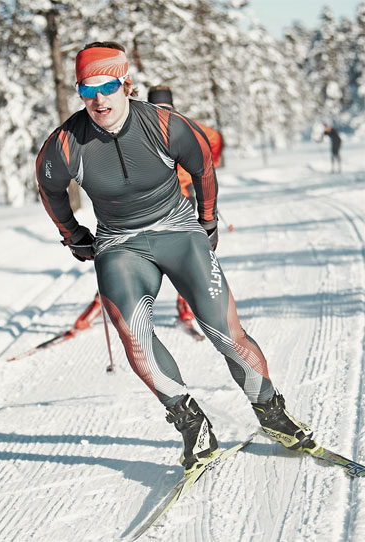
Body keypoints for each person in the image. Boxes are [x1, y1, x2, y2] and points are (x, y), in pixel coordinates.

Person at [36, 41, 314, 474]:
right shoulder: (66, 143)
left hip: (178, 230)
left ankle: (271, 413)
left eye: (107, 87)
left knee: (225, 331)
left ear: (126, 84)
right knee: (135, 335)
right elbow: (50, 188)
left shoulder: (166, 125)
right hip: (119, 243)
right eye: (87, 90)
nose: (98, 99)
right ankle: (191, 422)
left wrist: (208, 221)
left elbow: (203, 166)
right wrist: (73, 235)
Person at [147, 85, 223, 324]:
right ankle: (185, 304)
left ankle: (123, 304)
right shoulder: (185, 124)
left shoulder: (141, 125)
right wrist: (204, 166)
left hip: (148, 201)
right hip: (183, 197)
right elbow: (214, 138)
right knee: (187, 253)